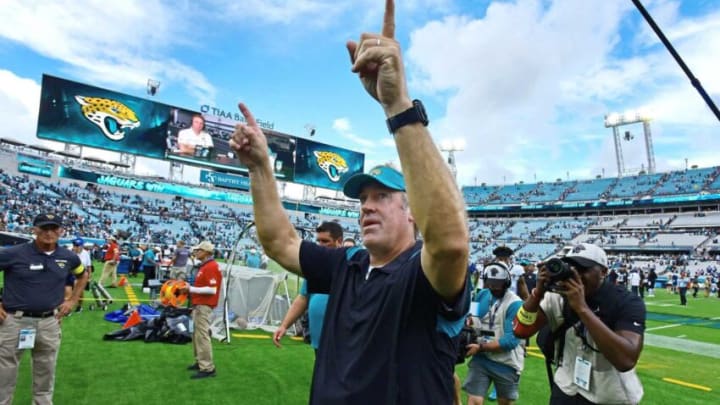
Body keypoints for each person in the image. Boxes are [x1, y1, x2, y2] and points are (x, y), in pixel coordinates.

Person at [228, 1, 470, 402]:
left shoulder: (421, 273)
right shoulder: (349, 263)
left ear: (413, 213)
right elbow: (279, 243)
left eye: (381, 196)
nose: (366, 206)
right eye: (362, 199)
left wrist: (397, 105)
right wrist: (259, 168)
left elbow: (450, 243)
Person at [513, 243, 645, 404]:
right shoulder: (558, 296)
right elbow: (520, 331)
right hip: (566, 385)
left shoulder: (625, 301)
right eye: (570, 268)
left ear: (603, 271)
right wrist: (538, 293)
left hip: (609, 395)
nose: (575, 275)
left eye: (582, 269)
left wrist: (582, 308)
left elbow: (626, 360)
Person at [0, 213, 89, 405]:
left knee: (46, 370)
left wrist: (72, 300)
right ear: (35, 230)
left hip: (49, 321)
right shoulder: (14, 253)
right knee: (4, 372)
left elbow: (83, 275)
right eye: (44, 228)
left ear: (61, 231)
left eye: (53, 228)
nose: (49, 233)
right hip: (14, 321)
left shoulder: (68, 256)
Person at [272, 221, 344, 352]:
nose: (321, 245)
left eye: (325, 241)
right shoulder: (318, 267)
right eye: (319, 241)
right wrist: (284, 326)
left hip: (341, 343)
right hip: (318, 342)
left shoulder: (348, 266)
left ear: (339, 241)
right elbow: (303, 298)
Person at [462, 262, 525, 405]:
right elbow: (471, 318)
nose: (493, 287)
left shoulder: (515, 304)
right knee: (474, 401)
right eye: (490, 283)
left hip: (505, 362)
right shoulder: (482, 294)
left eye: (497, 284)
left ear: (507, 282)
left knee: (504, 402)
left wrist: (481, 347)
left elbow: (510, 341)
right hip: (481, 359)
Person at [179, 241, 221, 379]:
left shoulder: (210, 267)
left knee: (202, 335)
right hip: (199, 304)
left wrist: (190, 289)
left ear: (207, 252)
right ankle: (200, 362)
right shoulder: (206, 266)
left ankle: (207, 367)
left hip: (204, 305)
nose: (196, 252)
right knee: (197, 335)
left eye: (199, 250)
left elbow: (212, 289)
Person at [70, 238, 93, 313]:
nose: (75, 247)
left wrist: (89, 276)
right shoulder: (70, 253)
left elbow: (89, 266)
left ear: (81, 246)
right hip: (70, 273)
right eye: (74, 245)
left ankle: (79, 306)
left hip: (81, 274)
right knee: (69, 290)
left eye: (76, 246)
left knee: (79, 290)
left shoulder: (86, 253)